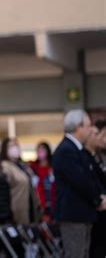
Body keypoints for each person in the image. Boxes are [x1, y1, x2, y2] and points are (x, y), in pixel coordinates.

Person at [52, 109, 106, 258]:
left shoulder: (76, 149)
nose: (90, 131)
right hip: (73, 215)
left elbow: (90, 177)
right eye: (88, 126)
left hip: (82, 213)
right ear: (78, 127)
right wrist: (98, 199)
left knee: (83, 253)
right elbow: (80, 181)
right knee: (75, 254)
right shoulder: (66, 150)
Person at [0, 138, 40, 224]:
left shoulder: (23, 165)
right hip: (17, 212)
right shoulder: (5, 166)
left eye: (16, 145)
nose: (15, 148)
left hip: (31, 209)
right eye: (11, 146)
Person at [83, 122, 106, 258]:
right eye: (99, 134)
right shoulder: (87, 157)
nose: (102, 138)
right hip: (96, 211)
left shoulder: (98, 157)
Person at [29, 142, 55, 221]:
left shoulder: (53, 167)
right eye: (38, 150)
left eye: (42, 150)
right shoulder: (33, 167)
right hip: (40, 202)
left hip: (53, 202)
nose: (40, 153)